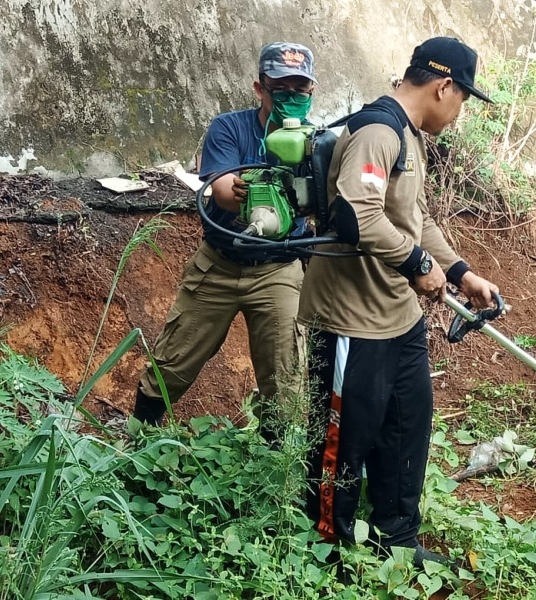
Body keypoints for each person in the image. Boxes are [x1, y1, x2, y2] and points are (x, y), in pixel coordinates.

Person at [298, 37, 499, 567]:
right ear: (444, 86)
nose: (460, 114)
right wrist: (417, 265)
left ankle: (397, 542)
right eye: (463, 100)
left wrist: (459, 272)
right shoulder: (377, 132)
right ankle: (326, 550)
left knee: (406, 430)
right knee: (341, 445)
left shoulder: (410, 138)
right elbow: (356, 215)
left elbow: (417, 220)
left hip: (398, 319)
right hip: (352, 322)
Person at [131, 42, 317, 442]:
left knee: (285, 379)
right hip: (219, 263)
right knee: (173, 360)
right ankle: (137, 439)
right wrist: (261, 190)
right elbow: (222, 192)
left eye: (300, 89)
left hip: (279, 269)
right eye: (280, 88)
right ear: (259, 87)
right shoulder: (229, 127)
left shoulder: (317, 142)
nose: (291, 97)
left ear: (311, 92)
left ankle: (272, 469)